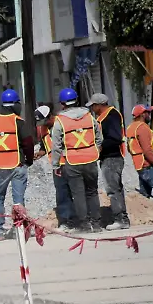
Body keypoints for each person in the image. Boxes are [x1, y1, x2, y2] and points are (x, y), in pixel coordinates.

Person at [0, 88, 38, 239]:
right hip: (18, 164)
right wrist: (28, 160)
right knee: (18, 199)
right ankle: (20, 230)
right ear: (15, 105)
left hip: (1, 166)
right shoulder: (18, 122)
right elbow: (28, 142)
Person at [50, 88, 103, 233]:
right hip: (91, 159)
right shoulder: (89, 116)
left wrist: (55, 165)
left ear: (62, 103)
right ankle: (97, 224)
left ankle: (85, 225)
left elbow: (56, 146)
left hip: (73, 162)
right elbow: (99, 137)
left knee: (78, 194)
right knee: (92, 192)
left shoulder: (60, 121)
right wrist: (95, 150)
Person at [88, 93, 129, 230]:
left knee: (113, 189)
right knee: (116, 188)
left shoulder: (111, 116)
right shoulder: (105, 117)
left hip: (112, 158)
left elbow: (115, 138)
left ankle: (120, 219)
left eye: (93, 106)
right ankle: (122, 218)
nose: (92, 109)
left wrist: (99, 147)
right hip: (110, 157)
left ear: (99, 105)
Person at [36, 104, 74, 225]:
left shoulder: (62, 123)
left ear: (50, 116)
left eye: (44, 121)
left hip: (70, 162)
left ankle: (79, 218)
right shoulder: (43, 128)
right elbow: (45, 144)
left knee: (75, 192)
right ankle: (66, 220)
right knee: (62, 193)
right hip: (57, 165)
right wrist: (41, 152)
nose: (43, 124)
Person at [126, 104, 153, 205]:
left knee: (144, 194)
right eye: (148, 112)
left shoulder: (131, 127)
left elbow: (130, 148)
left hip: (140, 165)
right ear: (142, 114)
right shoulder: (142, 128)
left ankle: (146, 216)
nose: (150, 115)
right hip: (149, 165)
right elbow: (147, 150)